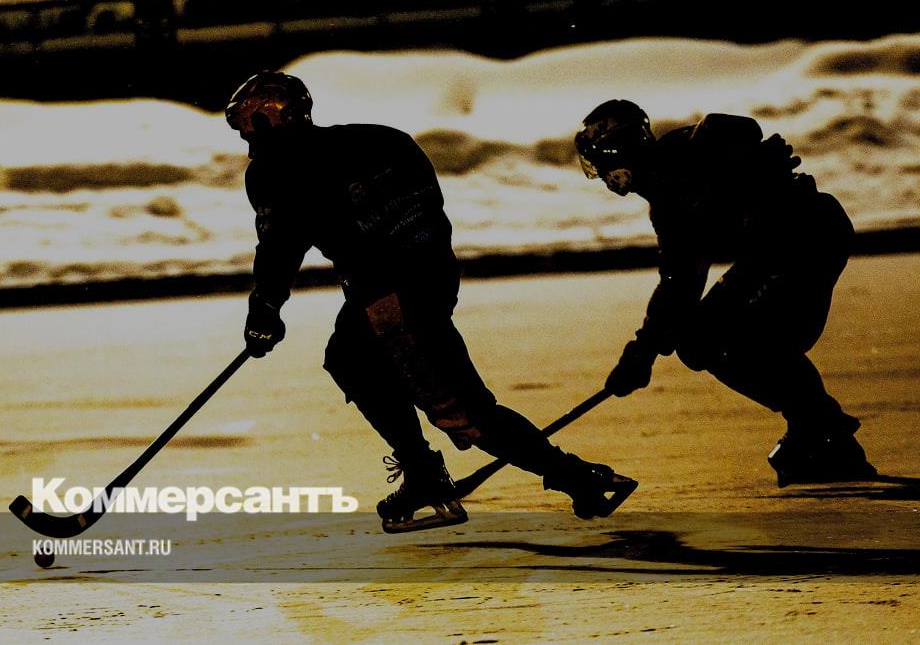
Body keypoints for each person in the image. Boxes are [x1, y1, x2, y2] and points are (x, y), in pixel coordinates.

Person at [226, 71, 636, 532]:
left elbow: (280, 247)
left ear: (270, 121)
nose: (245, 140)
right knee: (351, 360)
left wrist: (265, 310)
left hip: (388, 296)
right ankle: (427, 470)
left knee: (457, 407)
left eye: (248, 128)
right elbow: (427, 212)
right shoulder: (380, 139)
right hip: (426, 276)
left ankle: (576, 478)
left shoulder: (275, 172)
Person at [574, 99, 877, 486]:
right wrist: (642, 353)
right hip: (772, 255)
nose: (603, 177)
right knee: (699, 340)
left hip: (807, 238)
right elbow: (680, 284)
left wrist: (746, 166)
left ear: (614, 154)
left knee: (744, 343)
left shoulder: (684, 153)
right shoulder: (666, 207)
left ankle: (823, 430)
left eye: (599, 165)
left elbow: (729, 127)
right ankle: (819, 428)